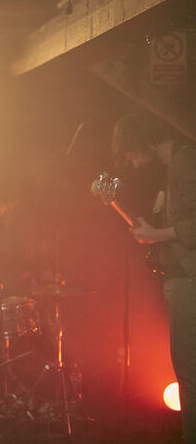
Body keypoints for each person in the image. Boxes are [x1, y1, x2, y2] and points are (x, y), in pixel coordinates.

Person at [112, 114, 196, 443]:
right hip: (181, 282)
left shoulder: (185, 160)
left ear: (140, 141)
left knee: (190, 376)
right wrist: (152, 233)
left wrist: (156, 233)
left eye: (130, 154)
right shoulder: (173, 168)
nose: (132, 163)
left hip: (189, 282)